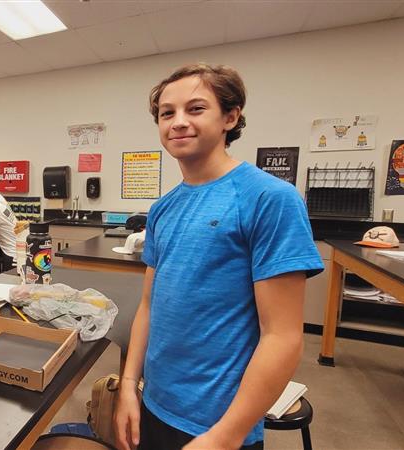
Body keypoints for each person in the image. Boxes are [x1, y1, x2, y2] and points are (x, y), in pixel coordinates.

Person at [113, 64, 323, 450]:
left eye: (195, 109)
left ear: (231, 116)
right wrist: (129, 386)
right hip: (155, 403)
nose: (178, 122)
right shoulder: (163, 209)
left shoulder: (269, 199)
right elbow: (148, 305)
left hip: (216, 424)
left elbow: (284, 336)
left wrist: (225, 437)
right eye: (166, 113)